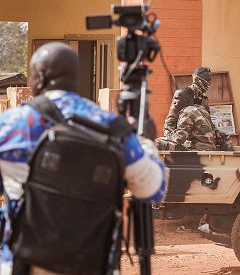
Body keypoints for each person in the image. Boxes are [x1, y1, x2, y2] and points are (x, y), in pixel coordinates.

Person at [0, 42, 166, 273]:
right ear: (76, 81)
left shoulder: (10, 124)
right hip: (92, 264)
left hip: (23, 265)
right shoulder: (112, 127)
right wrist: (146, 142)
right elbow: (152, 190)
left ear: (38, 77)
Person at [163, 66, 212, 138]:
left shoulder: (204, 98)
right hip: (184, 139)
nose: (208, 83)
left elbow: (208, 122)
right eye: (205, 80)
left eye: (209, 80)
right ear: (196, 79)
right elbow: (170, 121)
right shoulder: (182, 94)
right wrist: (171, 141)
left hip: (201, 141)